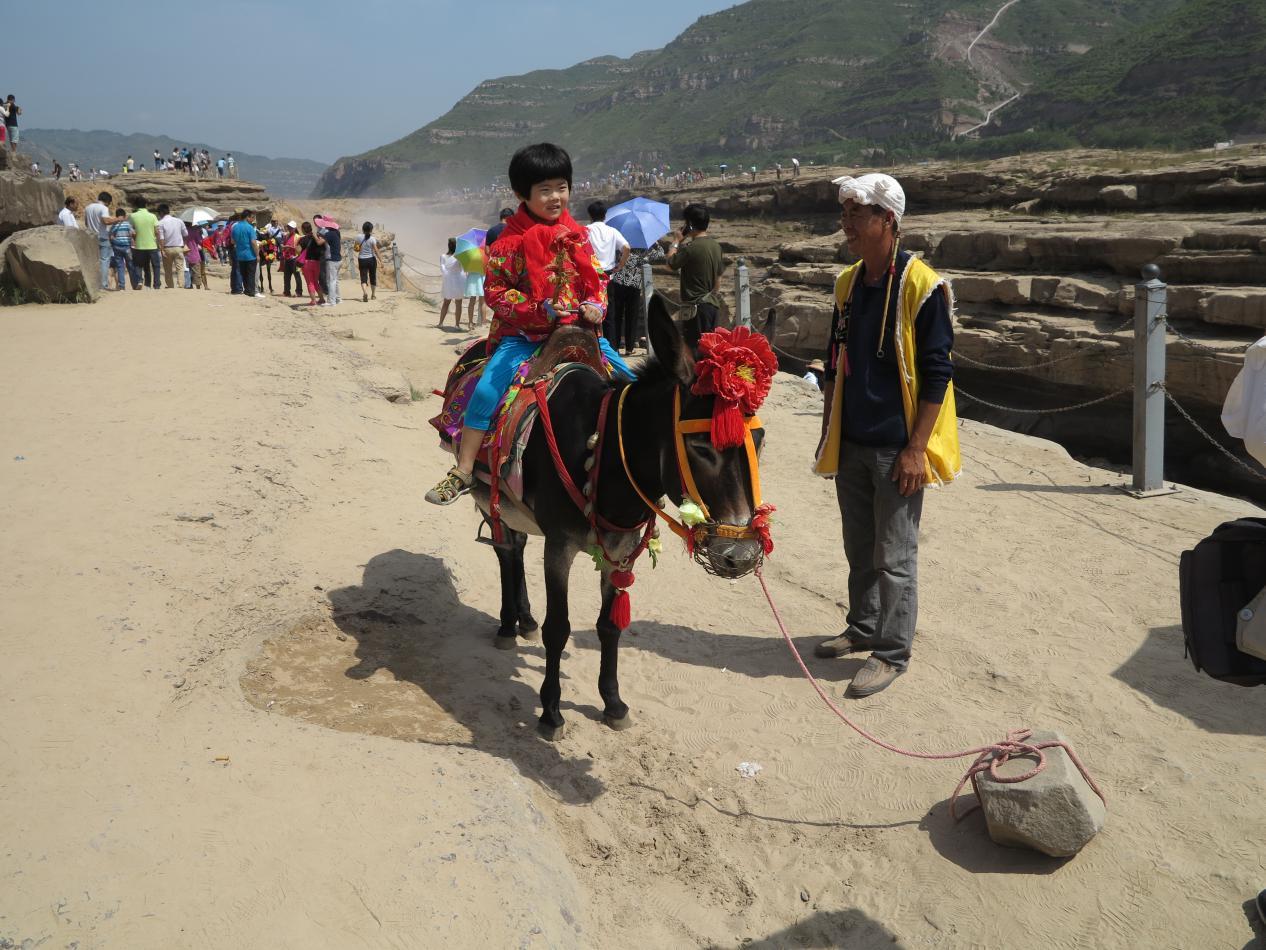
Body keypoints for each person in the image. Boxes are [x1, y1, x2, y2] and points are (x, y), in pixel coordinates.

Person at [812, 173, 959, 698]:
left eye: (858, 214)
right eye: (845, 214)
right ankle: (862, 625)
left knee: (895, 556)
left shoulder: (923, 286)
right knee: (859, 546)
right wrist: (830, 427)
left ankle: (892, 652)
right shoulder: (849, 283)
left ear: (888, 221)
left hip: (896, 447)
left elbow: (938, 372)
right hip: (852, 440)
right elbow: (836, 360)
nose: (847, 224)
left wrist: (916, 448)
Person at [425, 142, 633, 506]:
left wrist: (595, 305)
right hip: (525, 336)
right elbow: (497, 291)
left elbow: (596, 279)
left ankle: (634, 472)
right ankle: (463, 468)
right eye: (545, 190)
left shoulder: (579, 236)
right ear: (523, 194)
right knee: (488, 391)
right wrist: (540, 309)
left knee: (631, 386)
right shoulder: (509, 241)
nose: (556, 197)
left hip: (580, 333)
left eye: (561, 187)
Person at [666, 203, 725, 347]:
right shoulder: (716, 246)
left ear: (690, 224)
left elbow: (669, 265)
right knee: (710, 350)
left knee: (695, 350)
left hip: (696, 310)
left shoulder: (690, 248)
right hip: (712, 306)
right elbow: (718, 282)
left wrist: (675, 242)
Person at [606, 241, 665, 356]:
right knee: (632, 316)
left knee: (616, 316)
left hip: (618, 283)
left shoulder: (621, 246)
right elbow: (660, 253)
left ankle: (615, 346)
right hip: (634, 285)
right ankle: (629, 347)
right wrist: (655, 243)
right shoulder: (643, 250)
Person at [84, 191, 124, 290]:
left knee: (94, 261)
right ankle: (103, 285)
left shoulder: (88, 207)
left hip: (91, 237)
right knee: (104, 261)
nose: (109, 205)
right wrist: (118, 219)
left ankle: (93, 284)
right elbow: (106, 221)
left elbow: (86, 223)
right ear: (107, 201)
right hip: (102, 237)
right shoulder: (103, 208)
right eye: (109, 203)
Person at [585, 200, 630, 280]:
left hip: (592, 274)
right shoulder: (613, 231)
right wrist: (620, 265)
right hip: (608, 275)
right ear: (605, 216)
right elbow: (627, 248)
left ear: (590, 216)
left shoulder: (585, 230)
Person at [129, 198, 161, 289]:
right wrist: (158, 243)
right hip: (152, 245)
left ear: (135, 206)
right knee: (156, 266)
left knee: (138, 265)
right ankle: (156, 284)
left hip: (139, 245)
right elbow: (157, 231)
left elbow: (130, 229)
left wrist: (134, 235)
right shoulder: (152, 216)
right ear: (146, 205)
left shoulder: (132, 216)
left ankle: (139, 281)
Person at [155, 204, 188, 289]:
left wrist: (162, 249)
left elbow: (161, 238)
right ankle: (180, 285)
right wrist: (183, 244)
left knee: (168, 269)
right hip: (178, 247)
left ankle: (170, 286)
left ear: (161, 212)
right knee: (180, 268)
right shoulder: (179, 221)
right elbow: (186, 234)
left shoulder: (160, 223)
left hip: (167, 248)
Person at [438, 238, 467, 328]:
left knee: (446, 302)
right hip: (459, 280)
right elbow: (463, 268)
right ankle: (457, 325)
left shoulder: (443, 256)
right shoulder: (459, 257)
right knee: (459, 303)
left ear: (448, 245)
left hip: (449, 281)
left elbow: (443, 270)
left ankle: (440, 323)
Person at [231, 210, 260, 298]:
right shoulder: (249, 227)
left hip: (240, 254)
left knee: (243, 274)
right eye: (252, 218)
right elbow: (253, 242)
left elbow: (232, 241)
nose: (253, 220)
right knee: (251, 274)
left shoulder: (235, 227)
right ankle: (250, 292)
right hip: (250, 255)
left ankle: (246, 290)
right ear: (247, 217)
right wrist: (257, 254)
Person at [108, 207, 136, 290]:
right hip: (127, 247)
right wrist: (133, 240)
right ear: (124, 216)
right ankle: (134, 285)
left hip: (117, 248)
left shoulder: (114, 225)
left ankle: (121, 286)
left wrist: (114, 243)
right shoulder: (127, 224)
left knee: (120, 267)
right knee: (130, 266)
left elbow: (110, 236)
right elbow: (133, 233)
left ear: (116, 216)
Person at [316, 215, 341, 306]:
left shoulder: (329, 234)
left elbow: (319, 242)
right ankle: (338, 299)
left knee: (330, 281)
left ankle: (331, 301)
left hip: (332, 259)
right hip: (338, 259)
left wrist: (314, 235)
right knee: (335, 280)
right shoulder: (336, 232)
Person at [297, 222, 324, 306]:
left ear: (304, 229)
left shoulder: (302, 239)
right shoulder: (317, 238)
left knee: (310, 282)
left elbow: (298, 250)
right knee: (316, 281)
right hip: (317, 262)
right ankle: (322, 299)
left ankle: (313, 300)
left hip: (307, 262)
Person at [357, 221, 382, 302]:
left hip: (362, 259)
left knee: (363, 278)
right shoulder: (372, 239)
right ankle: (373, 295)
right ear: (371, 230)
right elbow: (376, 251)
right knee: (372, 277)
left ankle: (364, 293)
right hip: (371, 259)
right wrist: (381, 261)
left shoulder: (358, 237)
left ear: (363, 229)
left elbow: (356, 248)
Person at [280, 221, 304, 297]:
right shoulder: (286, 236)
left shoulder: (298, 237)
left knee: (297, 276)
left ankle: (299, 292)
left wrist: (289, 247)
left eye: (291, 228)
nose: (289, 229)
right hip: (287, 258)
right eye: (288, 227)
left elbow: (299, 249)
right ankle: (287, 291)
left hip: (295, 259)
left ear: (294, 228)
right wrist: (283, 247)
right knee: (286, 276)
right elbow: (283, 244)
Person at [184, 223, 209, 289]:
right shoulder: (195, 231)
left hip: (185, 254)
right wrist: (200, 235)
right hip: (195, 253)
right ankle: (200, 288)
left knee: (188, 271)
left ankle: (189, 286)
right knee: (198, 272)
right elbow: (201, 242)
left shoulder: (183, 230)